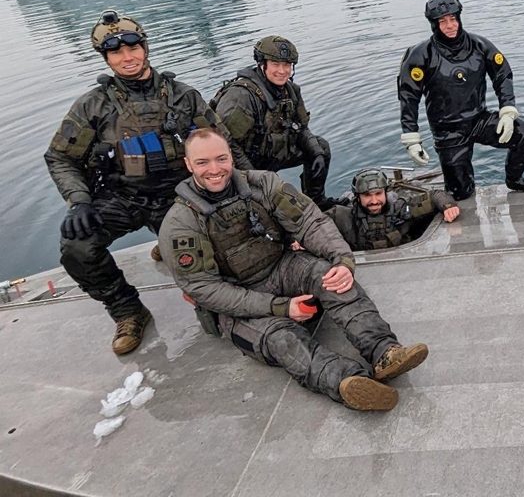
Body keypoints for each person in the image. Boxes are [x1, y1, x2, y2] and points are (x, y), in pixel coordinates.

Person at [158, 129, 429, 411]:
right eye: (202, 163)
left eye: (221, 158)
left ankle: (384, 351)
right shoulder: (180, 224)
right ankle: (347, 382)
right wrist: (280, 307)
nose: (214, 169)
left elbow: (310, 221)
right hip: (237, 299)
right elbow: (205, 289)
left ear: (231, 157)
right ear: (188, 165)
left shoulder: (263, 184)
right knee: (281, 338)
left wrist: (342, 260)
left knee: (331, 277)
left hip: (282, 265)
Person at [46, 9, 248, 355]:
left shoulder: (184, 97)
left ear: (145, 47)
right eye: (116, 52)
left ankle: (168, 241)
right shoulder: (93, 106)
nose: (127, 58)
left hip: (180, 197)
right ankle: (127, 310)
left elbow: (223, 143)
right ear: (106, 57)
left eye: (133, 48)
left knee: (233, 263)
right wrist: (78, 200)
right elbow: (60, 156)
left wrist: (249, 186)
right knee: (77, 247)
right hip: (121, 197)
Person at [398, 0, 524, 201]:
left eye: (453, 19)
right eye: (442, 21)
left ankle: (515, 179)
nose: (449, 25)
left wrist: (507, 111)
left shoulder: (479, 45)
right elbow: (408, 97)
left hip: (479, 119)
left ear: (459, 18)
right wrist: (411, 138)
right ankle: (459, 186)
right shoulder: (421, 54)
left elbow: (503, 75)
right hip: (448, 131)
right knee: (461, 194)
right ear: (433, 24)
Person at [211, 36, 333, 208]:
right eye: (276, 64)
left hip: (271, 152)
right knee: (267, 204)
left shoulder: (291, 91)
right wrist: (255, 176)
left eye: (287, 65)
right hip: (243, 162)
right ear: (262, 64)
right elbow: (226, 143)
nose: (282, 71)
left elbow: (301, 128)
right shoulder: (241, 96)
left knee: (321, 147)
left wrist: (316, 153)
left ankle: (316, 202)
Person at [327, 167, 460, 250]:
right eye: (367, 195)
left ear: (385, 192)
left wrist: (448, 206)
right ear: (357, 197)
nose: (374, 201)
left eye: (378, 194)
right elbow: (314, 224)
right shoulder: (343, 217)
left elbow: (435, 195)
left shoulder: (401, 209)